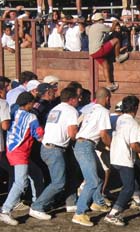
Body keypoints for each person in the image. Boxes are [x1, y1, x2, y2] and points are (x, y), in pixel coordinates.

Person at [29, 87, 79, 220]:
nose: (79, 101)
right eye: (77, 99)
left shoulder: (56, 109)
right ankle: (37, 206)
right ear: (72, 99)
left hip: (47, 147)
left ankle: (71, 202)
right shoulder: (71, 111)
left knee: (69, 173)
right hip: (55, 149)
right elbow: (72, 133)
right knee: (58, 182)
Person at [105, 95, 140, 226]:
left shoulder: (120, 119)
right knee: (128, 187)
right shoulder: (133, 123)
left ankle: (137, 200)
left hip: (115, 156)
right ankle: (113, 214)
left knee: (137, 173)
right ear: (136, 108)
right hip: (124, 158)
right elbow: (134, 145)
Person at [0, 92, 44, 226]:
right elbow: (39, 135)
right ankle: (6, 210)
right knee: (21, 182)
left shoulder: (14, 112)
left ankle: (37, 205)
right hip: (21, 152)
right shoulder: (31, 117)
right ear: (29, 103)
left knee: (36, 174)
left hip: (11, 149)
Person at [72, 87, 112, 227]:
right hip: (86, 146)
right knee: (92, 181)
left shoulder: (90, 109)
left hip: (82, 144)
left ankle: (98, 203)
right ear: (107, 98)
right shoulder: (104, 111)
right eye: (109, 99)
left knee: (98, 176)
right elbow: (104, 135)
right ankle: (79, 213)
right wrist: (113, 147)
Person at [87, 13, 128, 91]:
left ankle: (109, 84)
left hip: (92, 53)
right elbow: (111, 30)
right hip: (99, 50)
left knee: (105, 65)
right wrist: (114, 23)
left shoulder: (91, 27)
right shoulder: (100, 25)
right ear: (100, 20)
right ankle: (118, 57)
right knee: (116, 40)